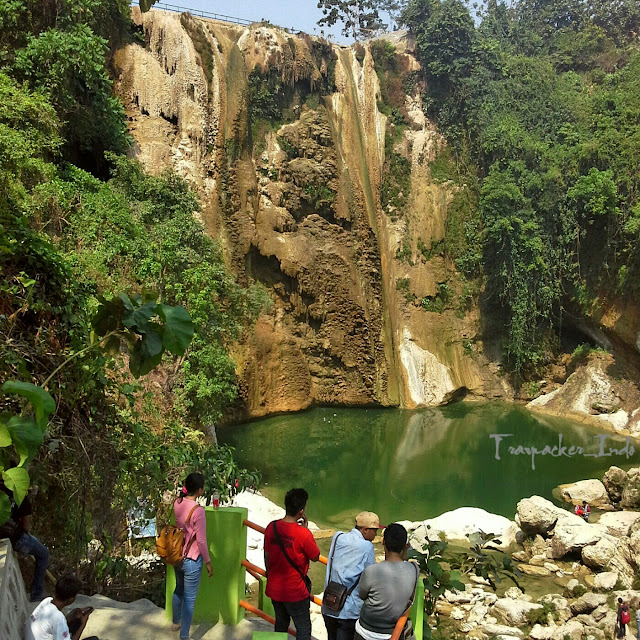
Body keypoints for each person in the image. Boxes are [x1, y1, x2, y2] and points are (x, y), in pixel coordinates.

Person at [264, 488, 320, 640]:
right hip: (295, 591)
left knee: (281, 624)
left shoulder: (272, 527)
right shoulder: (304, 534)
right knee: (303, 628)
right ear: (301, 511)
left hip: (275, 588)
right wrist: (305, 530)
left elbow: (267, 556)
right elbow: (315, 556)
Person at [355, 523, 419, 640]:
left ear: (383, 542)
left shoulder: (370, 571)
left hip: (366, 631)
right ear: (406, 545)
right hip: (393, 633)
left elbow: (362, 595)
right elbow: (403, 562)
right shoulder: (414, 569)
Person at [322, 512, 379, 640]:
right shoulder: (367, 546)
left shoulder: (338, 537)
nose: (376, 535)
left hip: (329, 604)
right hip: (348, 611)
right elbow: (371, 576)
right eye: (374, 531)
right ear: (365, 530)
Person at [171, 473, 214, 640]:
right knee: (190, 599)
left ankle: (176, 622)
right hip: (192, 559)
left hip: (177, 556)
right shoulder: (198, 511)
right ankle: (184, 636)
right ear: (200, 490)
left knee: (178, 590)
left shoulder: (177, 502)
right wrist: (208, 562)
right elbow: (201, 540)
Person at [0, 482, 49, 601]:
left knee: (35, 541)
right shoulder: (21, 497)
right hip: (16, 538)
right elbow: (26, 528)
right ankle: (37, 594)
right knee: (44, 553)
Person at [25, 573, 99, 640]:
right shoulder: (59, 618)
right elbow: (58, 621)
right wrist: (83, 624)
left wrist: (71, 617)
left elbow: (54, 623)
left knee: (73, 624)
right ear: (71, 599)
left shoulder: (47, 601)